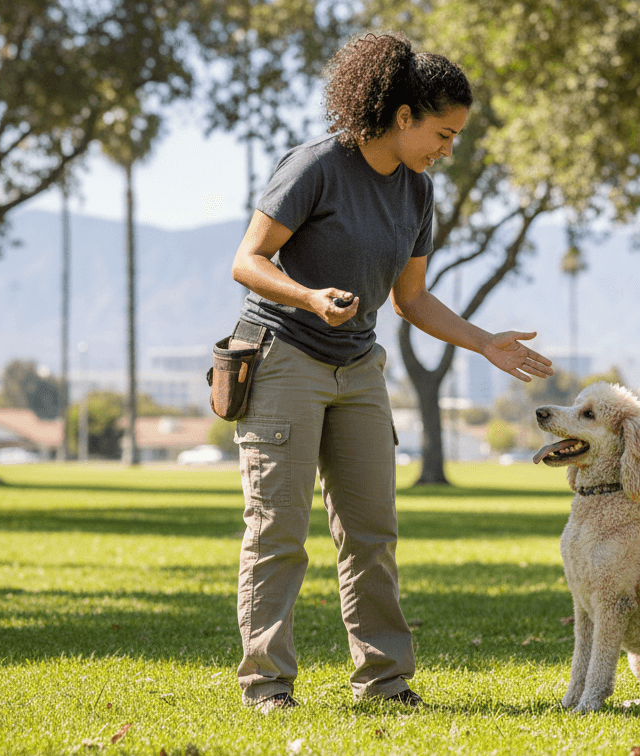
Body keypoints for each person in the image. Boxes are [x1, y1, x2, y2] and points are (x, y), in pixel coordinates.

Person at [227, 31, 554, 713]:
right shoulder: (317, 166)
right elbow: (248, 261)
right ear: (403, 116)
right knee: (278, 532)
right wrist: (309, 297)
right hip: (283, 356)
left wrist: (484, 342)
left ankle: (384, 682)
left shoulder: (417, 192)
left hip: (358, 367)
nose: (448, 149)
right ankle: (267, 686)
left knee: (371, 535)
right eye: (443, 133)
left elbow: (412, 299)